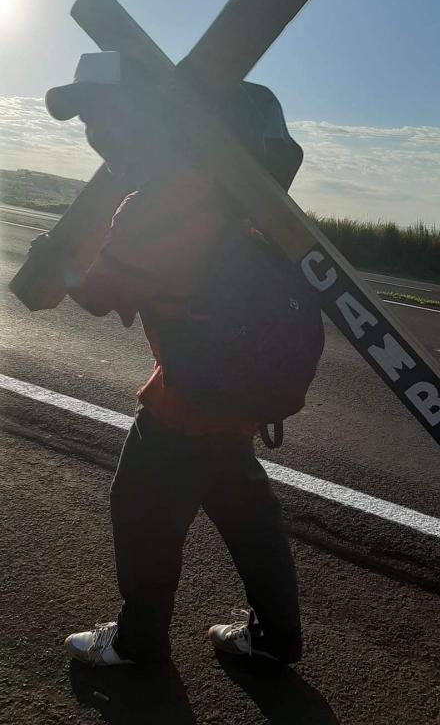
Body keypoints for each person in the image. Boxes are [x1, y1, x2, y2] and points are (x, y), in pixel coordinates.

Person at [35, 51, 308, 666]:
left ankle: (137, 643)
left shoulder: (160, 201)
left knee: (140, 510)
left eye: (102, 115)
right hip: (236, 402)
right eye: (85, 119)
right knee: (248, 517)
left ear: (146, 116)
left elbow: (101, 295)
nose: (94, 133)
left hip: (185, 401)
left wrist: (61, 264)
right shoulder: (245, 202)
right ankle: (276, 637)